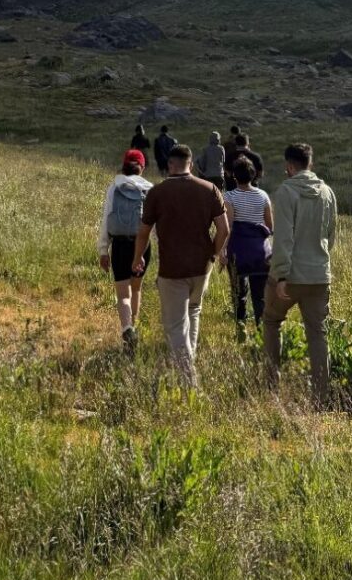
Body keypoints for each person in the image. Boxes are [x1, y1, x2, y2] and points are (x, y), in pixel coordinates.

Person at [133, 144, 230, 387]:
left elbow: (143, 231)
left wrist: (137, 258)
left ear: (170, 165)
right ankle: (189, 363)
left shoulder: (158, 192)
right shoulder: (210, 189)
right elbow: (224, 229)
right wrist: (214, 254)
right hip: (201, 266)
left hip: (172, 268)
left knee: (175, 325)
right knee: (193, 312)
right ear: (191, 163)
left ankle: (189, 382)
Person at [263, 143, 337, 407]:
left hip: (290, 276)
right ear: (310, 164)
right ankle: (320, 397)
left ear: (289, 166)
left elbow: (283, 238)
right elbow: (331, 236)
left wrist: (280, 275)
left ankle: (271, 386)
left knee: (272, 321)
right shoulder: (327, 192)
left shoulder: (286, 192)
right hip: (319, 274)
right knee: (318, 334)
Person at [97, 149, 154, 354]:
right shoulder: (150, 189)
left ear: (123, 165)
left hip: (119, 245)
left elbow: (106, 219)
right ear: (142, 167)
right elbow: (153, 223)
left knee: (123, 294)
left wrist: (104, 250)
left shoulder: (114, 187)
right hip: (142, 245)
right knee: (136, 288)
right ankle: (135, 327)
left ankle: (127, 329)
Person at [223, 156, 273, 336]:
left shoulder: (229, 197)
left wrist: (222, 251)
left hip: (238, 250)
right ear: (253, 175)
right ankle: (262, 332)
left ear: (234, 176)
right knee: (260, 296)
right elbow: (270, 226)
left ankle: (241, 329)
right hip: (260, 252)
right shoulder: (263, 195)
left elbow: (227, 227)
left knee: (238, 293)